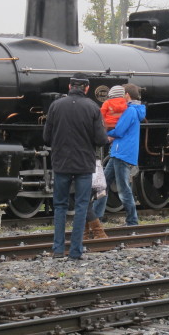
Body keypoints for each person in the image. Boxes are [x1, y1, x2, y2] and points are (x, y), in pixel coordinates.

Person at [43, 73, 108, 260]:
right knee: (81, 206)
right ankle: (76, 251)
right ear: (86, 88)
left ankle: (57, 250)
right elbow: (101, 140)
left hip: (61, 163)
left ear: (69, 86)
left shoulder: (55, 106)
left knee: (60, 206)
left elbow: (46, 137)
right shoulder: (92, 107)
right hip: (84, 165)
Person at [93, 83, 146, 226]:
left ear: (127, 95)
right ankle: (95, 218)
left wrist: (105, 135)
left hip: (122, 152)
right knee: (103, 184)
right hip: (120, 151)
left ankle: (132, 221)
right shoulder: (134, 110)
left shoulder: (130, 111)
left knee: (123, 189)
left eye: (123, 95)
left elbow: (119, 130)